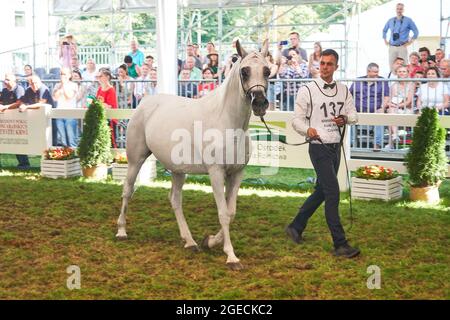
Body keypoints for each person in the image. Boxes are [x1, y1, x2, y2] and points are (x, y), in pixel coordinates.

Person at [287, 49, 360, 258]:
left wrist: (345, 118)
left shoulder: (344, 90)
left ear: (336, 67)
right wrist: (307, 130)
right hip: (318, 146)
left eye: (330, 64)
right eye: (323, 63)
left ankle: (295, 226)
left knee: (322, 191)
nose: (325, 67)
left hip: (336, 146)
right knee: (333, 192)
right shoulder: (307, 90)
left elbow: (354, 114)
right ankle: (340, 244)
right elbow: (296, 120)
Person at [349, 63, 390, 151]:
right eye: (375, 72)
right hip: (358, 110)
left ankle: (377, 145)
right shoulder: (358, 81)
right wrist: (350, 107)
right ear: (368, 71)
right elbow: (349, 95)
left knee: (380, 116)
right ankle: (351, 144)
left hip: (375, 110)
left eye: (377, 72)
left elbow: (386, 96)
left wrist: (382, 108)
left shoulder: (382, 81)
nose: (377, 74)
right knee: (349, 116)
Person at [0, 74, 27, 168]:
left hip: (18, 121)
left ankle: (24, 163)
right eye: (5, 79)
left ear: (13, 80)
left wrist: (6, 107)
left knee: (18, 141)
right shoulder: (3, 90)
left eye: (7, 79)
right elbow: (1, 102)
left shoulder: (19, 89)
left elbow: (19, 102)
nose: (5, 81)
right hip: (5, 121)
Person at [382, 3, 419, 70]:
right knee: (392, 65)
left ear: (403, 10)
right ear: (395, 9)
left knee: (404, 65)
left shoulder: (408, 20)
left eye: (401, 9)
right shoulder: (391, 20)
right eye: (397, 9)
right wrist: (385, 41)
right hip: (392, 46)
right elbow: (384, 30)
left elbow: (416, 32)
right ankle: (394, 80)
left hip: (402, 46)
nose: (399, 10)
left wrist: (410, 42)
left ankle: (403, 80)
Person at [385, 65, 414, 149]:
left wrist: (398, 105)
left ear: (407, 73)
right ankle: (395, 135)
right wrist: (393, 105)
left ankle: (391, 142)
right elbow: (390, 100)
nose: (401, 73)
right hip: (395, 109)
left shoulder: (411, 84)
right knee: (391, 111)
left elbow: (409, 101)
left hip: (407, 109)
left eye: (404, 71)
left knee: (391, 115)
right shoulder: (394, 85)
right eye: (400, 71)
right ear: (397, 73)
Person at [52, 67, 79, 148]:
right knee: (63, 140)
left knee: (71, 139)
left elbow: (69, 96)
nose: (62, 76)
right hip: (59, 114)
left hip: (70, 114)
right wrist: (60, 87)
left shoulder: (74, 85)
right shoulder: (57, 85)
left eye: (64, 74)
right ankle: (66, 157)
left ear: (69, 75)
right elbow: (55, 98)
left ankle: (74, 157)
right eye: (61, 74)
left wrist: (63, 86)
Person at [96, 68, 119, 148]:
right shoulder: (99, 89)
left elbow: (109, 106)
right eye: (98, 76)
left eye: (100, 76)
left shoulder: (111, 90)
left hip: (110, 118)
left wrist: (98, 104)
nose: (98, 78)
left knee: (111, 140)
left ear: (107, 77)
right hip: (102, 117)